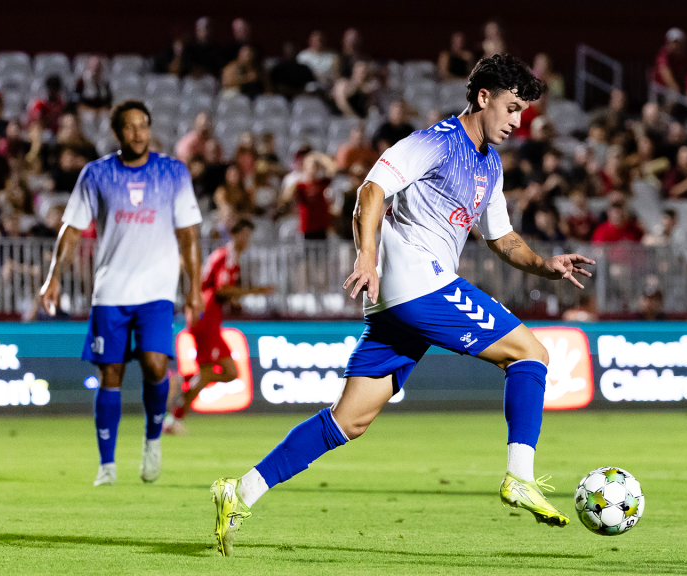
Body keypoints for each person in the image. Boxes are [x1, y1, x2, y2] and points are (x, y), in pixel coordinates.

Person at [209, 54, 594, 556]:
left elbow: (502, 239)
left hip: (400, 301)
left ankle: (239, 492)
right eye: (512, 107)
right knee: (531, 354)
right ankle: (519, 476)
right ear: (483, 98)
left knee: (349, 421)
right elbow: (370, 191)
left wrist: (547, 264)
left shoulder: (490, 166)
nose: (518, 121)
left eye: (523, 112)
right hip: (418, 281)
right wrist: (366, 256)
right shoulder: (435, 141)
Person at [38, 101, 204, 487]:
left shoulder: (172, 172)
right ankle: (107, 465)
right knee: (110, 373)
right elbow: (72, 230)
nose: (138, 133)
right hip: (111, 289)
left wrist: (193, 288)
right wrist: (53, 277)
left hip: (157, 289)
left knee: (156, 364)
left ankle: (152, 441)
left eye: (143, 125)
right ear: (116, 133)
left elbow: (189, 235)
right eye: (129, 127)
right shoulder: (95, 174)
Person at [163, 219, 274, 435]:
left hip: (206, 314)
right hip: (206, 316)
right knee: (210, 372)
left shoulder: (225, 255)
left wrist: (235, 299)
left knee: (230, 372)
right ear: (236, 234)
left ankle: (181, 385)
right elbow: (222, 289)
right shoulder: (228, 255)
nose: (248, 240)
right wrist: (254, 291)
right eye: (246, 234)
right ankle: (174, 416)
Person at [278, 151, 336, 240]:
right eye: (313, 166)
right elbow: (288, 199)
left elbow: (331, 170)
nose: (315, 170)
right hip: (307, 226)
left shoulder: (325, 183)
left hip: (322, 225)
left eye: (318, 167)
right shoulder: (300, 186)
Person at [652, 28, 687, 93]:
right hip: (660, 88)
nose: (674, 45)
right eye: (670, 42)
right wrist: (674, 86)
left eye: (676, 42)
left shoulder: (686, 56)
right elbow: (665, 71)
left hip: (680, 89)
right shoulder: (663, 53)